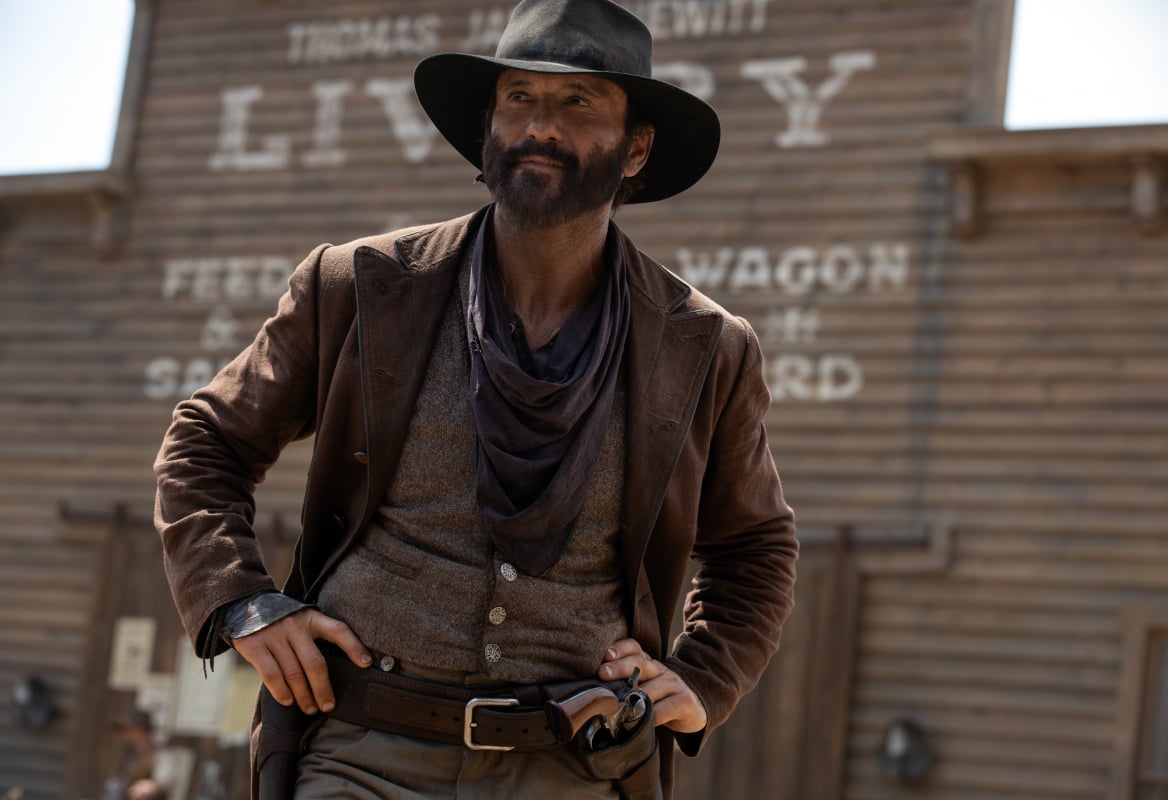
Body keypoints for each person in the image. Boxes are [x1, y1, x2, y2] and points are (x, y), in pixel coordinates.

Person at [153, 0, 798, 797]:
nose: (539, 127)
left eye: (577, 103)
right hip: (359, 748)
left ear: (636, 150)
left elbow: (756, 548)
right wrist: (242, 602)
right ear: (488, 127)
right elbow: (205, 442)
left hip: (573, 761)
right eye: (518, 98)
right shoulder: (360, 285)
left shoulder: (706, 345)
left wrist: (703, 679)